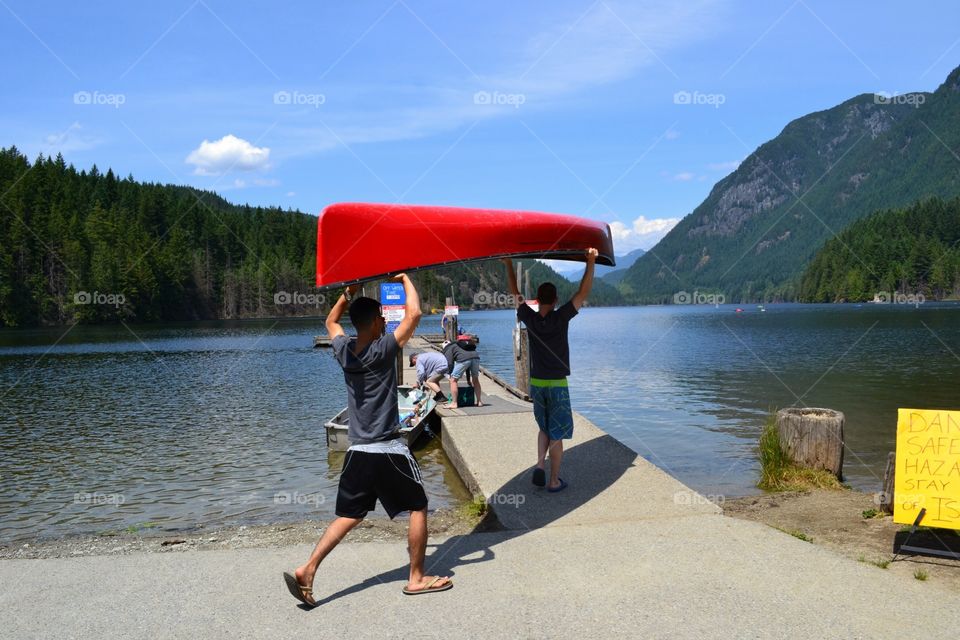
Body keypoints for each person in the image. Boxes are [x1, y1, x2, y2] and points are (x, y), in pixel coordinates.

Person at [284, 274, 452, 606]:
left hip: (357, 449)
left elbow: (331, 321)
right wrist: (405, 278)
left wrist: (348, 294)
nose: (385, 322)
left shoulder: (344, 350)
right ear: (376, 322)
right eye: (382, 318)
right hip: (388, 448)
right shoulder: (384, 348)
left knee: (351, 515)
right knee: (418, 506)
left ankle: (308, 567)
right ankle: (416, 578)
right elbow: (414, 315)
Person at [502, 249, 597, 493]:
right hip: (557, 384)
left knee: (544, 427)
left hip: (537, 383)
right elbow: (582, 292)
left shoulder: (530, 319)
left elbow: (515, 294)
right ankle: (554, 481)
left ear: (537, 298)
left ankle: (539, 465)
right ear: (555, 300)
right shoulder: (561, 317)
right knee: (557, 434)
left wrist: (508, 263)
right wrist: (591, 261)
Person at [441, 338, 482, 408]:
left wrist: (450, 374)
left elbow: (450, 363)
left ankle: (454, 403)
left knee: (453, 380)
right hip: (476, 357)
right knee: (475, 379)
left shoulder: (448, 348)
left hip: (464, 359)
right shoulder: (460, 344)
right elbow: (468, 365)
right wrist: (468, 380)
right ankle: (479, 401)